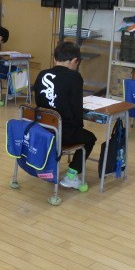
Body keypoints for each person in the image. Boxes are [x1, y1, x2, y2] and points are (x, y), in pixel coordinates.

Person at [33, 41, 96, 189]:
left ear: (55, 58)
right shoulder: (74, 77)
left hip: (42, 129)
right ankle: (71, 176)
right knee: (90, 138)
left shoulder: (42, 74)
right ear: (74, 60)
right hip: (62, 132)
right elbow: (76, 108)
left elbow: (39, 103)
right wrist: (79, 127)